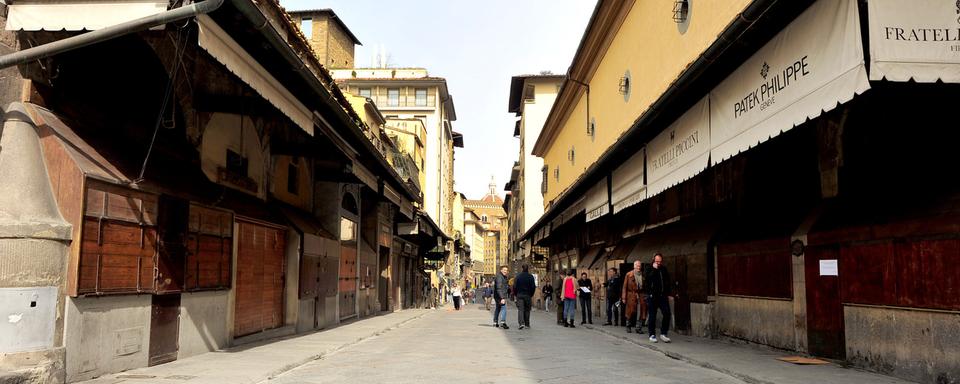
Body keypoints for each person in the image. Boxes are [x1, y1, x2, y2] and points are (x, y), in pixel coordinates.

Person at [644, 253, 673, 343]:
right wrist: (654, 269)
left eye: (660, 261)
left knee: (667, 313)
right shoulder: (648, 268)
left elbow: (667, 281)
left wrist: (669, 294)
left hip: (662, 295)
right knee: (652, 315)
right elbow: (648, 279)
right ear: (653, 260)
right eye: (657, 261)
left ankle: (663, 333)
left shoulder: (663, 269)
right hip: (652, 296)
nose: (658, 263)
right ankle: (652, 334)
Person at [621, 260, 645, 334]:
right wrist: (624, 297)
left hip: (640, 295)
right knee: (630, 311)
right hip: (631, 295)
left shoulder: (643, 275)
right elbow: (624, 287)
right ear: (634, 266)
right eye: (637, 265)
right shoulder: (629, 274)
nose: (638, 267)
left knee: (641, 311)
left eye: (639, 266)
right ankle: (628, 326)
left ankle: (638, 328)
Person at [514, 265, 536, 329]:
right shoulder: (530, 277)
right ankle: (527, 324)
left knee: (520, 309)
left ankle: (521, 323)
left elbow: (514, 287)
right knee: (527, 310)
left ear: (522, 268)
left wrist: (516, 294)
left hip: (520, 295)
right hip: (528, 295)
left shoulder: (518, 277)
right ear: (528, 269)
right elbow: (533, 287)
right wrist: (531, 294)